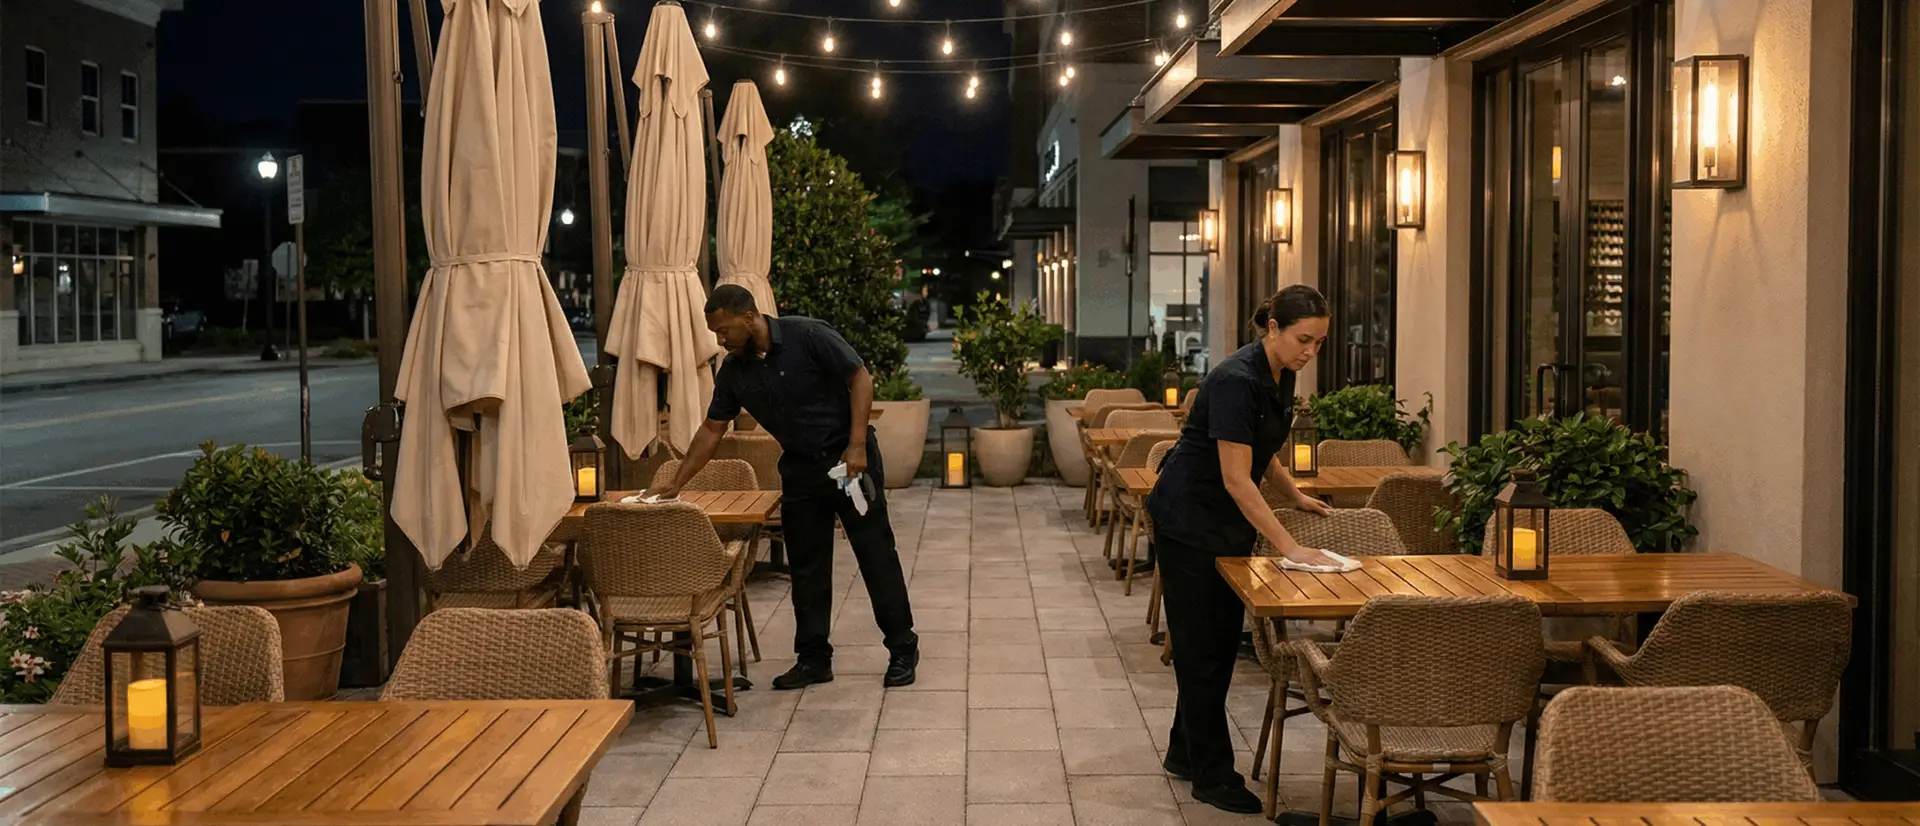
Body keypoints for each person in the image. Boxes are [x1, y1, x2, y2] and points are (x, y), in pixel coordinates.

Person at [648, 285, 919, 690]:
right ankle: (813, 659)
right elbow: (711, 429)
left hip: (848, 461)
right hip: (800, 471)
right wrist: (677, 482)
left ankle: (902, 647)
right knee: (807, 567)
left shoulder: (808, 335)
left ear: (748, 317)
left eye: (723, 331)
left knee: (875, 554)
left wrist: (857, 444)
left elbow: (859, 378)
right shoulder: (734, 371)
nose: (720, 341)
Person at [1144, 284, 1338, 813]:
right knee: (1202, 648)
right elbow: (1235, 476)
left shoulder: (1283, 372)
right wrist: (1290, 546)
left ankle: (1185, 753)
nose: (1310, 352)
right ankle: (1212, 775)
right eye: (1304, 339)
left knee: (1217, 643)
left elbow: (1261, 451)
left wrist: (1295, 495)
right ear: (1272, 328)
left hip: (1224, 521)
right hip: (1189, 519)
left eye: (1319, 342)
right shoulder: (1234, 379)